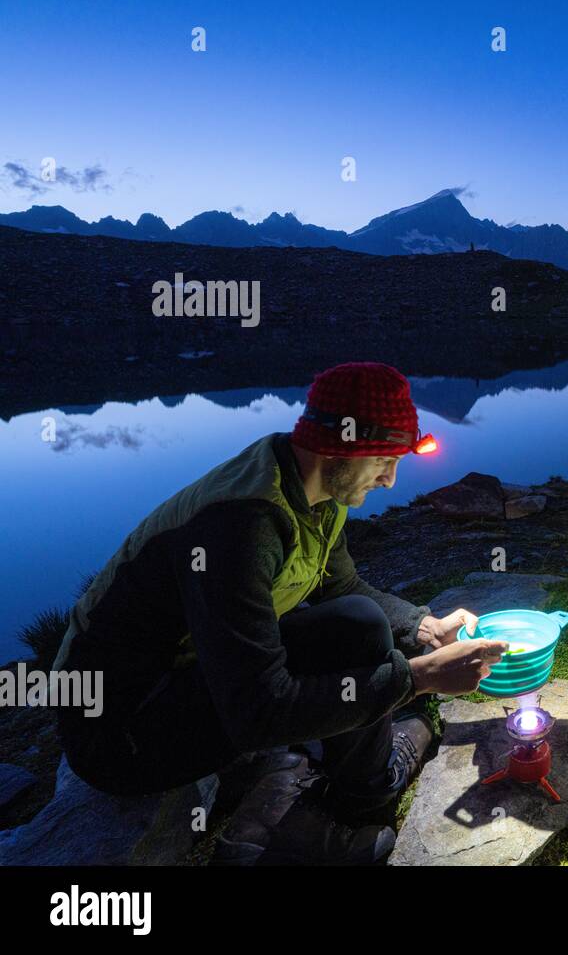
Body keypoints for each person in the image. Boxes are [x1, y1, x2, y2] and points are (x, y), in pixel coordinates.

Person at [52, 362, 509, 864]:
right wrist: (417, 678)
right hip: (121, 731)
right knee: (346, 650)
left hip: (189, 675)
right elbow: (257, 711)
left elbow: (343, 587)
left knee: (356, 621)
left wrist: (422, 627)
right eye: (384, 460)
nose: (390, 479)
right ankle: (332, 822)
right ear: (341, 445)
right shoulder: (241, 525)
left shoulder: (314, 487)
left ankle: (327, 774)